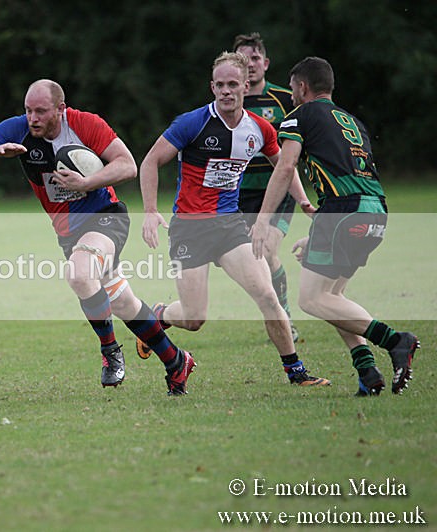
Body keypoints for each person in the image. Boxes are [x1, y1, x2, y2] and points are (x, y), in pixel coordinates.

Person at [0, 79, 195, 396]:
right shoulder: (19, 130)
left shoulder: (85, 124)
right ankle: (176, 361)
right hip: (68, 232)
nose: (33, 118)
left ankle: (110, 353)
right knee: (122, 303)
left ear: (60, 109)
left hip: (106, 217)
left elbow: (127, 165)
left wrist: (88, 182)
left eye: (40, 111)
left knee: (80, 274)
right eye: (28, 111)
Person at [139, 52, 329, 387]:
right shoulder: (192, 123)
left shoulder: (259, 129)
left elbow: (283, 165)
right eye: (220, 85)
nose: (226, 91)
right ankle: (160, 315)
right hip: (189, 229)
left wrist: (302, 200)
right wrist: (151, 211)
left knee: (268, 296)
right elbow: (151, 161)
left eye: (232, 84)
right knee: (195, 318)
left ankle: (296, 372)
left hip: (229, 227)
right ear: (212, 87)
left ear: (245, 85)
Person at [251, 57, 419, 396]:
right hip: (375, 211)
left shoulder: (299, 115)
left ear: (301, 87)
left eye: (294, 89)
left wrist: (262, 219)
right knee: (333, 296)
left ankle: (397, 341)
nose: (293, 96)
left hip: (344, 212)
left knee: (312, 300)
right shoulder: (351, 120)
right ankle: (368, 373)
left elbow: (285, 168)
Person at [232, 33, 307, 342]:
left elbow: (293, 150)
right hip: (239, 193)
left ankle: (283, 316)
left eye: (253, 58)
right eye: (241, 60)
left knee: (267, 249)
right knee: (250, 257)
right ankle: (276, 313)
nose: (248, 65)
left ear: (265, 63)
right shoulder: (226, 102)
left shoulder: (281, 99)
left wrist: (301, 196)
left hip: (277, 190)